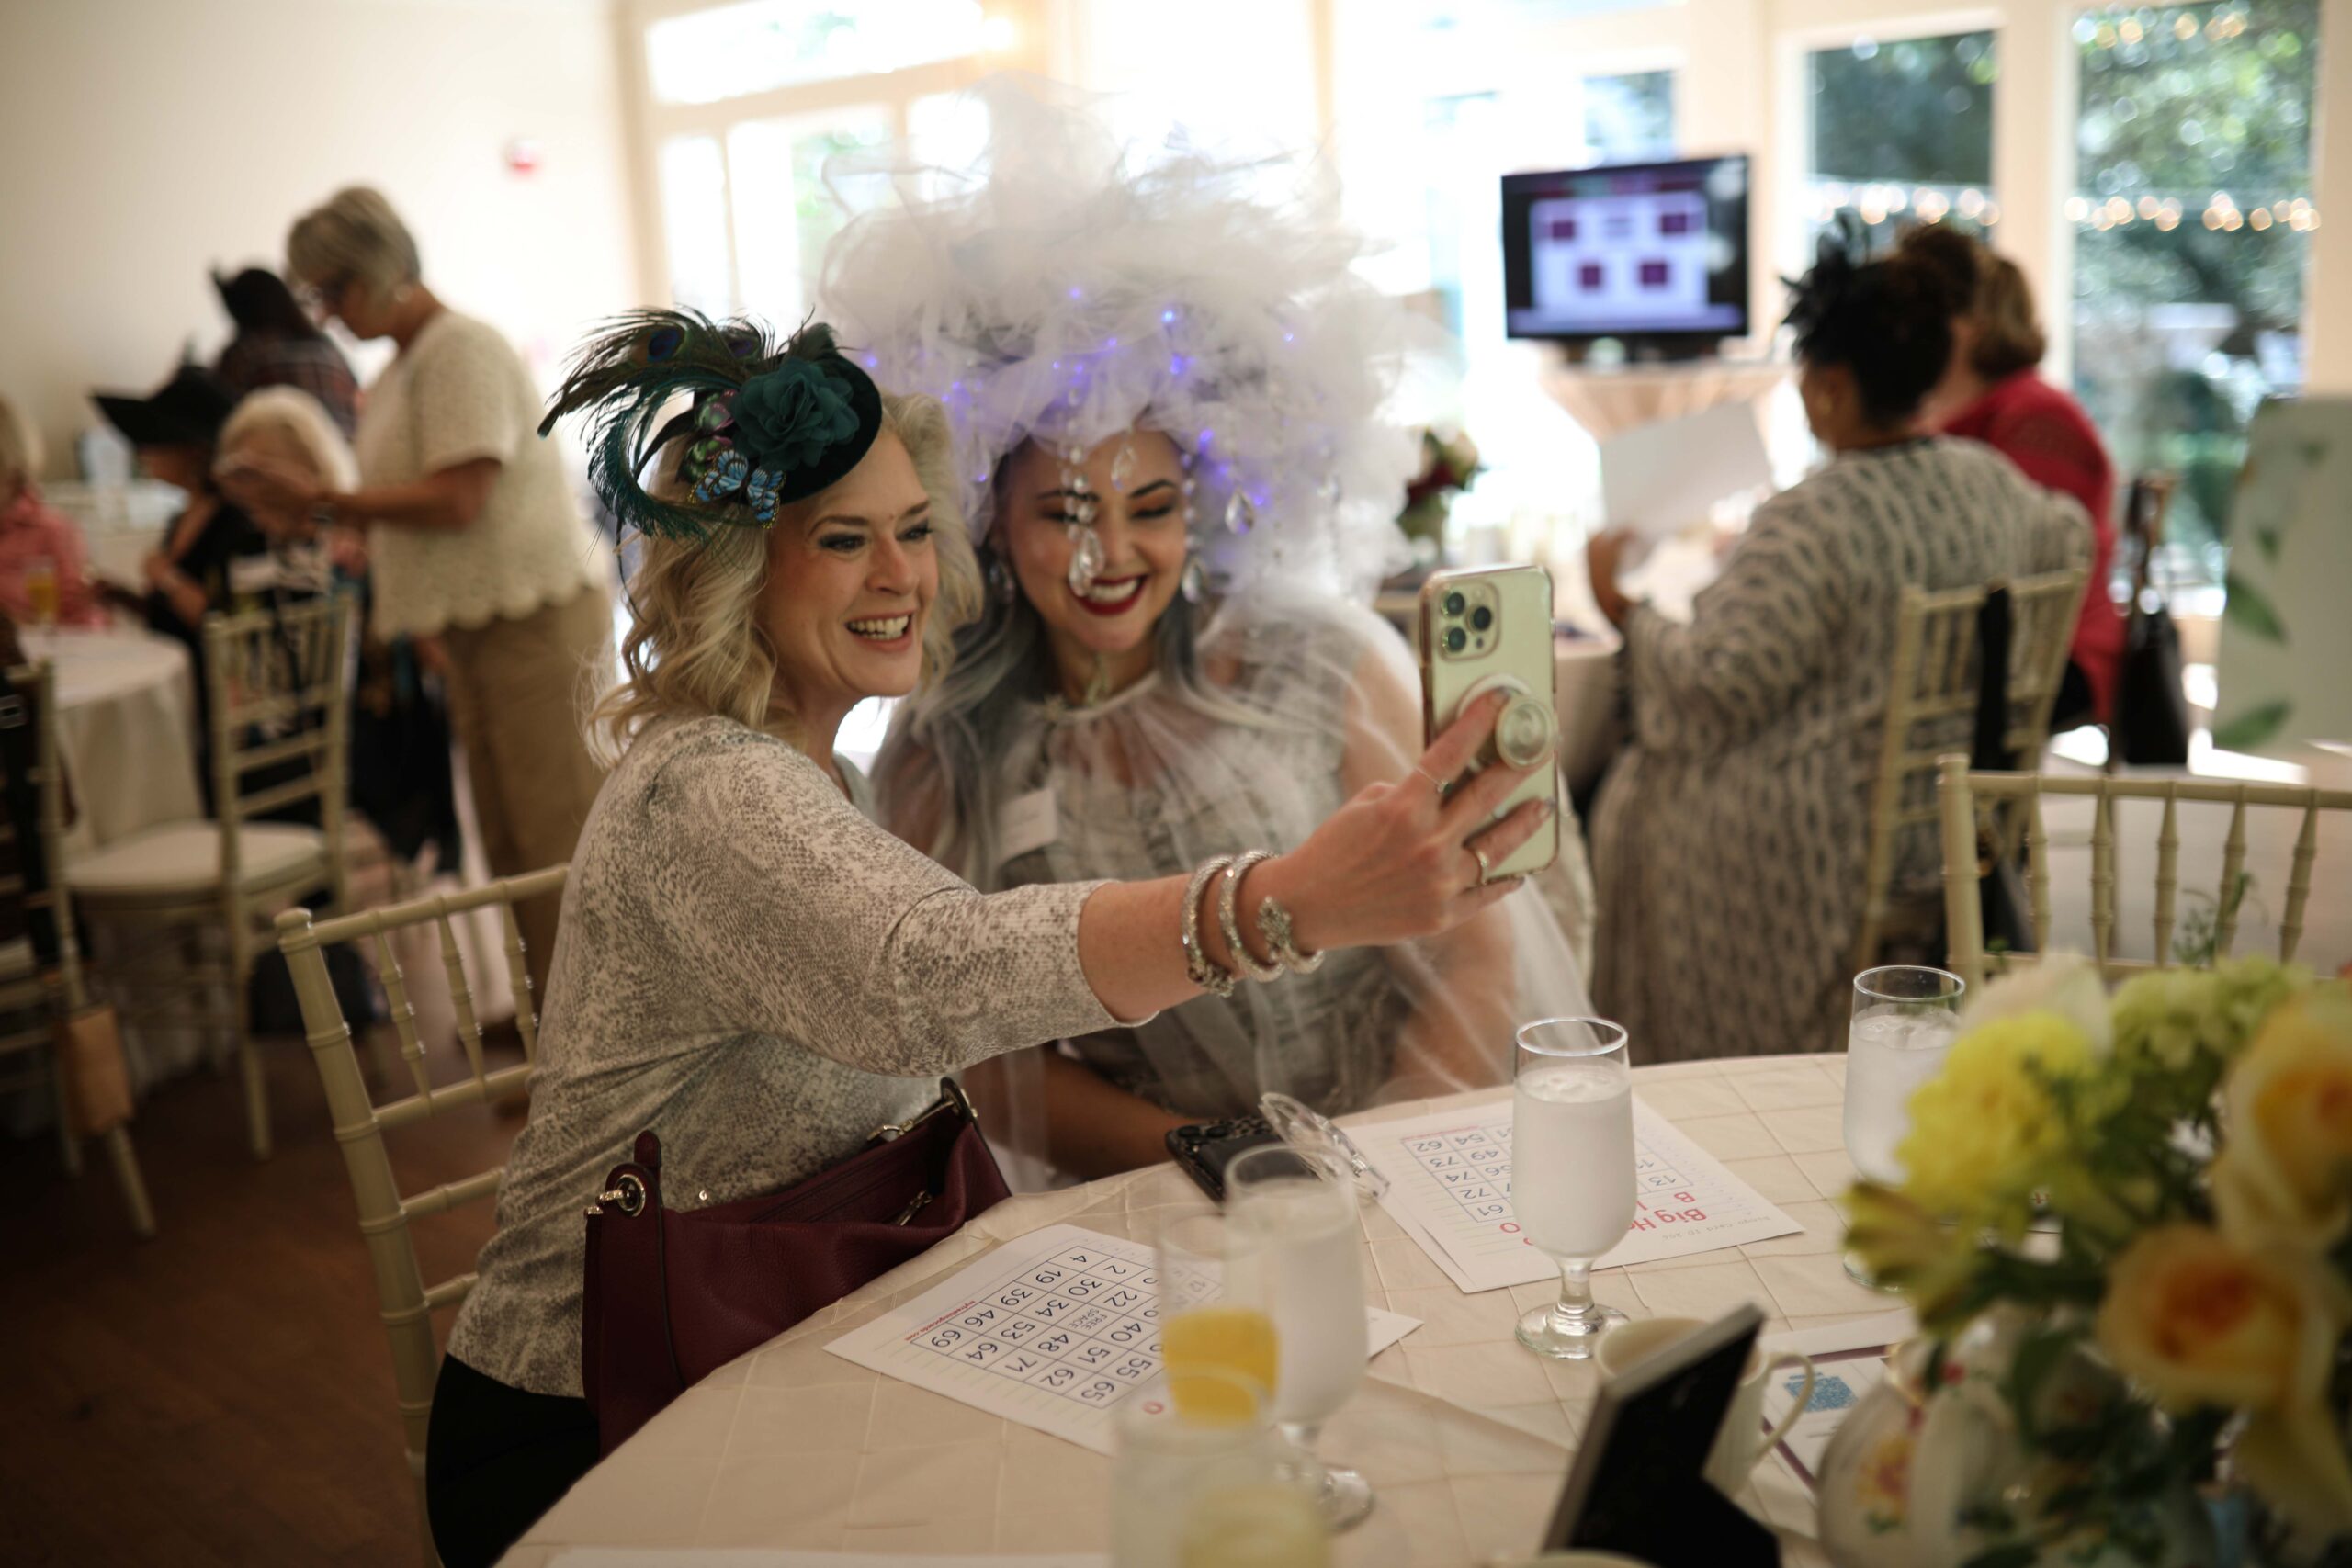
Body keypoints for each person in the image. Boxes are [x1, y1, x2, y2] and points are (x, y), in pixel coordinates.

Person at [424, 316, 1547, 1567]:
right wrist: (1279, 901)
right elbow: (929, 974)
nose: (900, 574)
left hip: (789, 1336)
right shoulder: (708, 791)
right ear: (736, 569)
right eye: (842, 539)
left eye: (913, 529)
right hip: (602, 1424)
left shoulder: (813, 773)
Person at [831, 82, 1595, 1179]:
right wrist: (1233, 1168)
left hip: (1412, 1153)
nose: (1110, 557)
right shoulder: (945, 744)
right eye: (1064, 514)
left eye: (1149, 508)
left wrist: (1386, 1157)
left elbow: (1474, 944)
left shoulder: (1318, 664)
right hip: (1161, 1197)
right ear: (991, 520)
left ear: (1200, 505)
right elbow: (985, 1054)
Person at [1584, 227, 2089, 1064]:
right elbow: (2069, 534)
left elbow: (1714, 685)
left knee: (1629, 794)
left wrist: (1621, 607)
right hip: (1948, 818)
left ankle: (1703, 1069)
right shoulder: (1994, 482)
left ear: (1832, 386)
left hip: (1822, 844)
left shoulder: (1813, 517)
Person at [225, 186, 612, 1015]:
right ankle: (552, 1024)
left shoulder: (460, 349)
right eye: (316, 295)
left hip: (533, 619)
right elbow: (422, 509)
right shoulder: (402, 369)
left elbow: (459, 498)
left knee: (559, 843)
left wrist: (326, 500)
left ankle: (595, 1038)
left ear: (381, 268)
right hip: (481, 627)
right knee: (510, 846)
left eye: (334, 289)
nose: (327, 313)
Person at [1900, 225, 2122, 728]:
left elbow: (2015, 558)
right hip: (1983, 639)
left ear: (1968, 327)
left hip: (2054, 649)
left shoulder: (2035, 418)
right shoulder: (1953, 415)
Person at [91, 365, 268, 784]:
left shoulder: (234, 523)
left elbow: (223, 624)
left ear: (191, 451)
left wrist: (167, 577)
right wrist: (120, 595)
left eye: (155, 441)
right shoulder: (180, 517)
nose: (144, 452)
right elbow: (167, 614)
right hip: (177, 681)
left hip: (215, 693)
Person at [210, 266, 362, 437]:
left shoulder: (246, 353)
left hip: (288, 451)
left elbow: (217, 420)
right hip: (348, 451)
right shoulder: (328, 349)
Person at [0, 395, 106, 628]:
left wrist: (21, 625)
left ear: (13, 476)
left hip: (40, 648)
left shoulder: (53, 531)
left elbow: (82, 623)